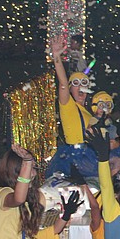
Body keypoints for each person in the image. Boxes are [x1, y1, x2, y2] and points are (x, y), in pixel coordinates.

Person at [45, 35, 98, 178]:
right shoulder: (68, 105)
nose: (80, 87)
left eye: (84, 83)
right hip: (74, 158)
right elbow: (63, 83)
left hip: (89, 157)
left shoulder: (89, 111)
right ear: (70, 89)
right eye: (75, 83)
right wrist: (57, 57)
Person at [90, 91, 120, 174]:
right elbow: (90, 132)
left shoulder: (108, 121)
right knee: (119, 161)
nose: (104, 109)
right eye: (101, 106)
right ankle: (113, 177)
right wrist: (97, 127)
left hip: (112, 146)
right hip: (101, 149)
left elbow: (114, 134)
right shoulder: (94, 120)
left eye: (108, 105)